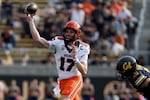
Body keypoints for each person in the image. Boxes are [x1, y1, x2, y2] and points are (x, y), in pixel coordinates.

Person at [26, 12, 90, 100]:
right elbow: (38, 39)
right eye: (67, 32)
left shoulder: (83, 48)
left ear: (77, 34)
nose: (68, 34)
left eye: (71, 32)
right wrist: (31, 21)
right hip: (62, 81)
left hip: (74, 79)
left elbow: (84, 71)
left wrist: (75, 59)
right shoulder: (58, 43)